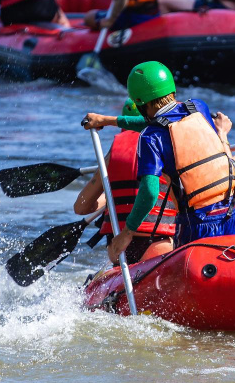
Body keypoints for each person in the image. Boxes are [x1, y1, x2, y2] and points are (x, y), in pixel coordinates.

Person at [81, 61, 235, 263]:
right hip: (234, 211)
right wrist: (108, 120)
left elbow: (150, 192)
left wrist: (127, 233)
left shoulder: (150, 138)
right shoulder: (198, 108)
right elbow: (162, 121)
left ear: (141, 103)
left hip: (198, 227)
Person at [74, 99, 176, 264]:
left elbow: (81, 207)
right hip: (160, 243)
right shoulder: (171, 143)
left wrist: (110, 200)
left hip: (119, 249)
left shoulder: (111, 156)